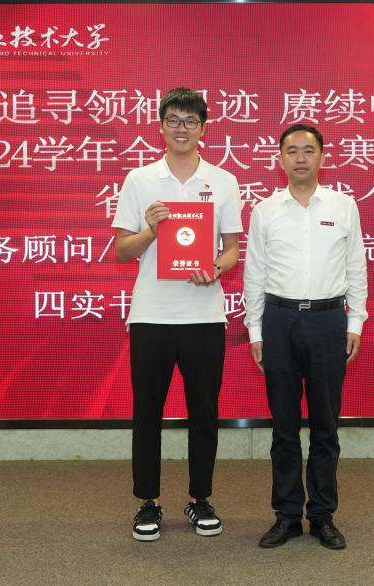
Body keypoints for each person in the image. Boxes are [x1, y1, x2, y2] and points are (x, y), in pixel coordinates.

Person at [112, 88, 243, 542]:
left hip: (204, 316)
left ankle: (199, 498)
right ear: (161, 126)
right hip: (150, 314)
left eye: (190, 121)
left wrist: (216, 270)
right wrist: (151, 229)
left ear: (204, 129)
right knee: (146, 411)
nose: (181, 128)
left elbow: (232, 249)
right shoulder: (140, 179)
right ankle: (147, 502)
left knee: (204, 413)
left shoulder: (223, 180)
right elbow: (122, 250)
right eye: (173, 120)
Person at [243, 123, 368, 550]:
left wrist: (355, 322)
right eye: (292, 150)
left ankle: (322, 515)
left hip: (328, 320)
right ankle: (286, 516)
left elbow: (356, 266)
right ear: (280, 159)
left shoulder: (344, 206)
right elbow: (255, 272)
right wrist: (255, 329)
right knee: (283, 426)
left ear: (322, 157)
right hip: (279, 321)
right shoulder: (265, 210)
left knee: (325, 426)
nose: (300, 157)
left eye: (308, 150)